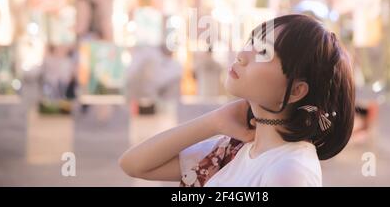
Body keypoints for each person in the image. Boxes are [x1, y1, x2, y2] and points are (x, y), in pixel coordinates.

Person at [119, 14, 355, 186]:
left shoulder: (289, 170)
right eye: (252, 43)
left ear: (296, 91)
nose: (242, 55)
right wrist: (213, 121)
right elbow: (133, 164)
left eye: (264, 52)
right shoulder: (233, 148)